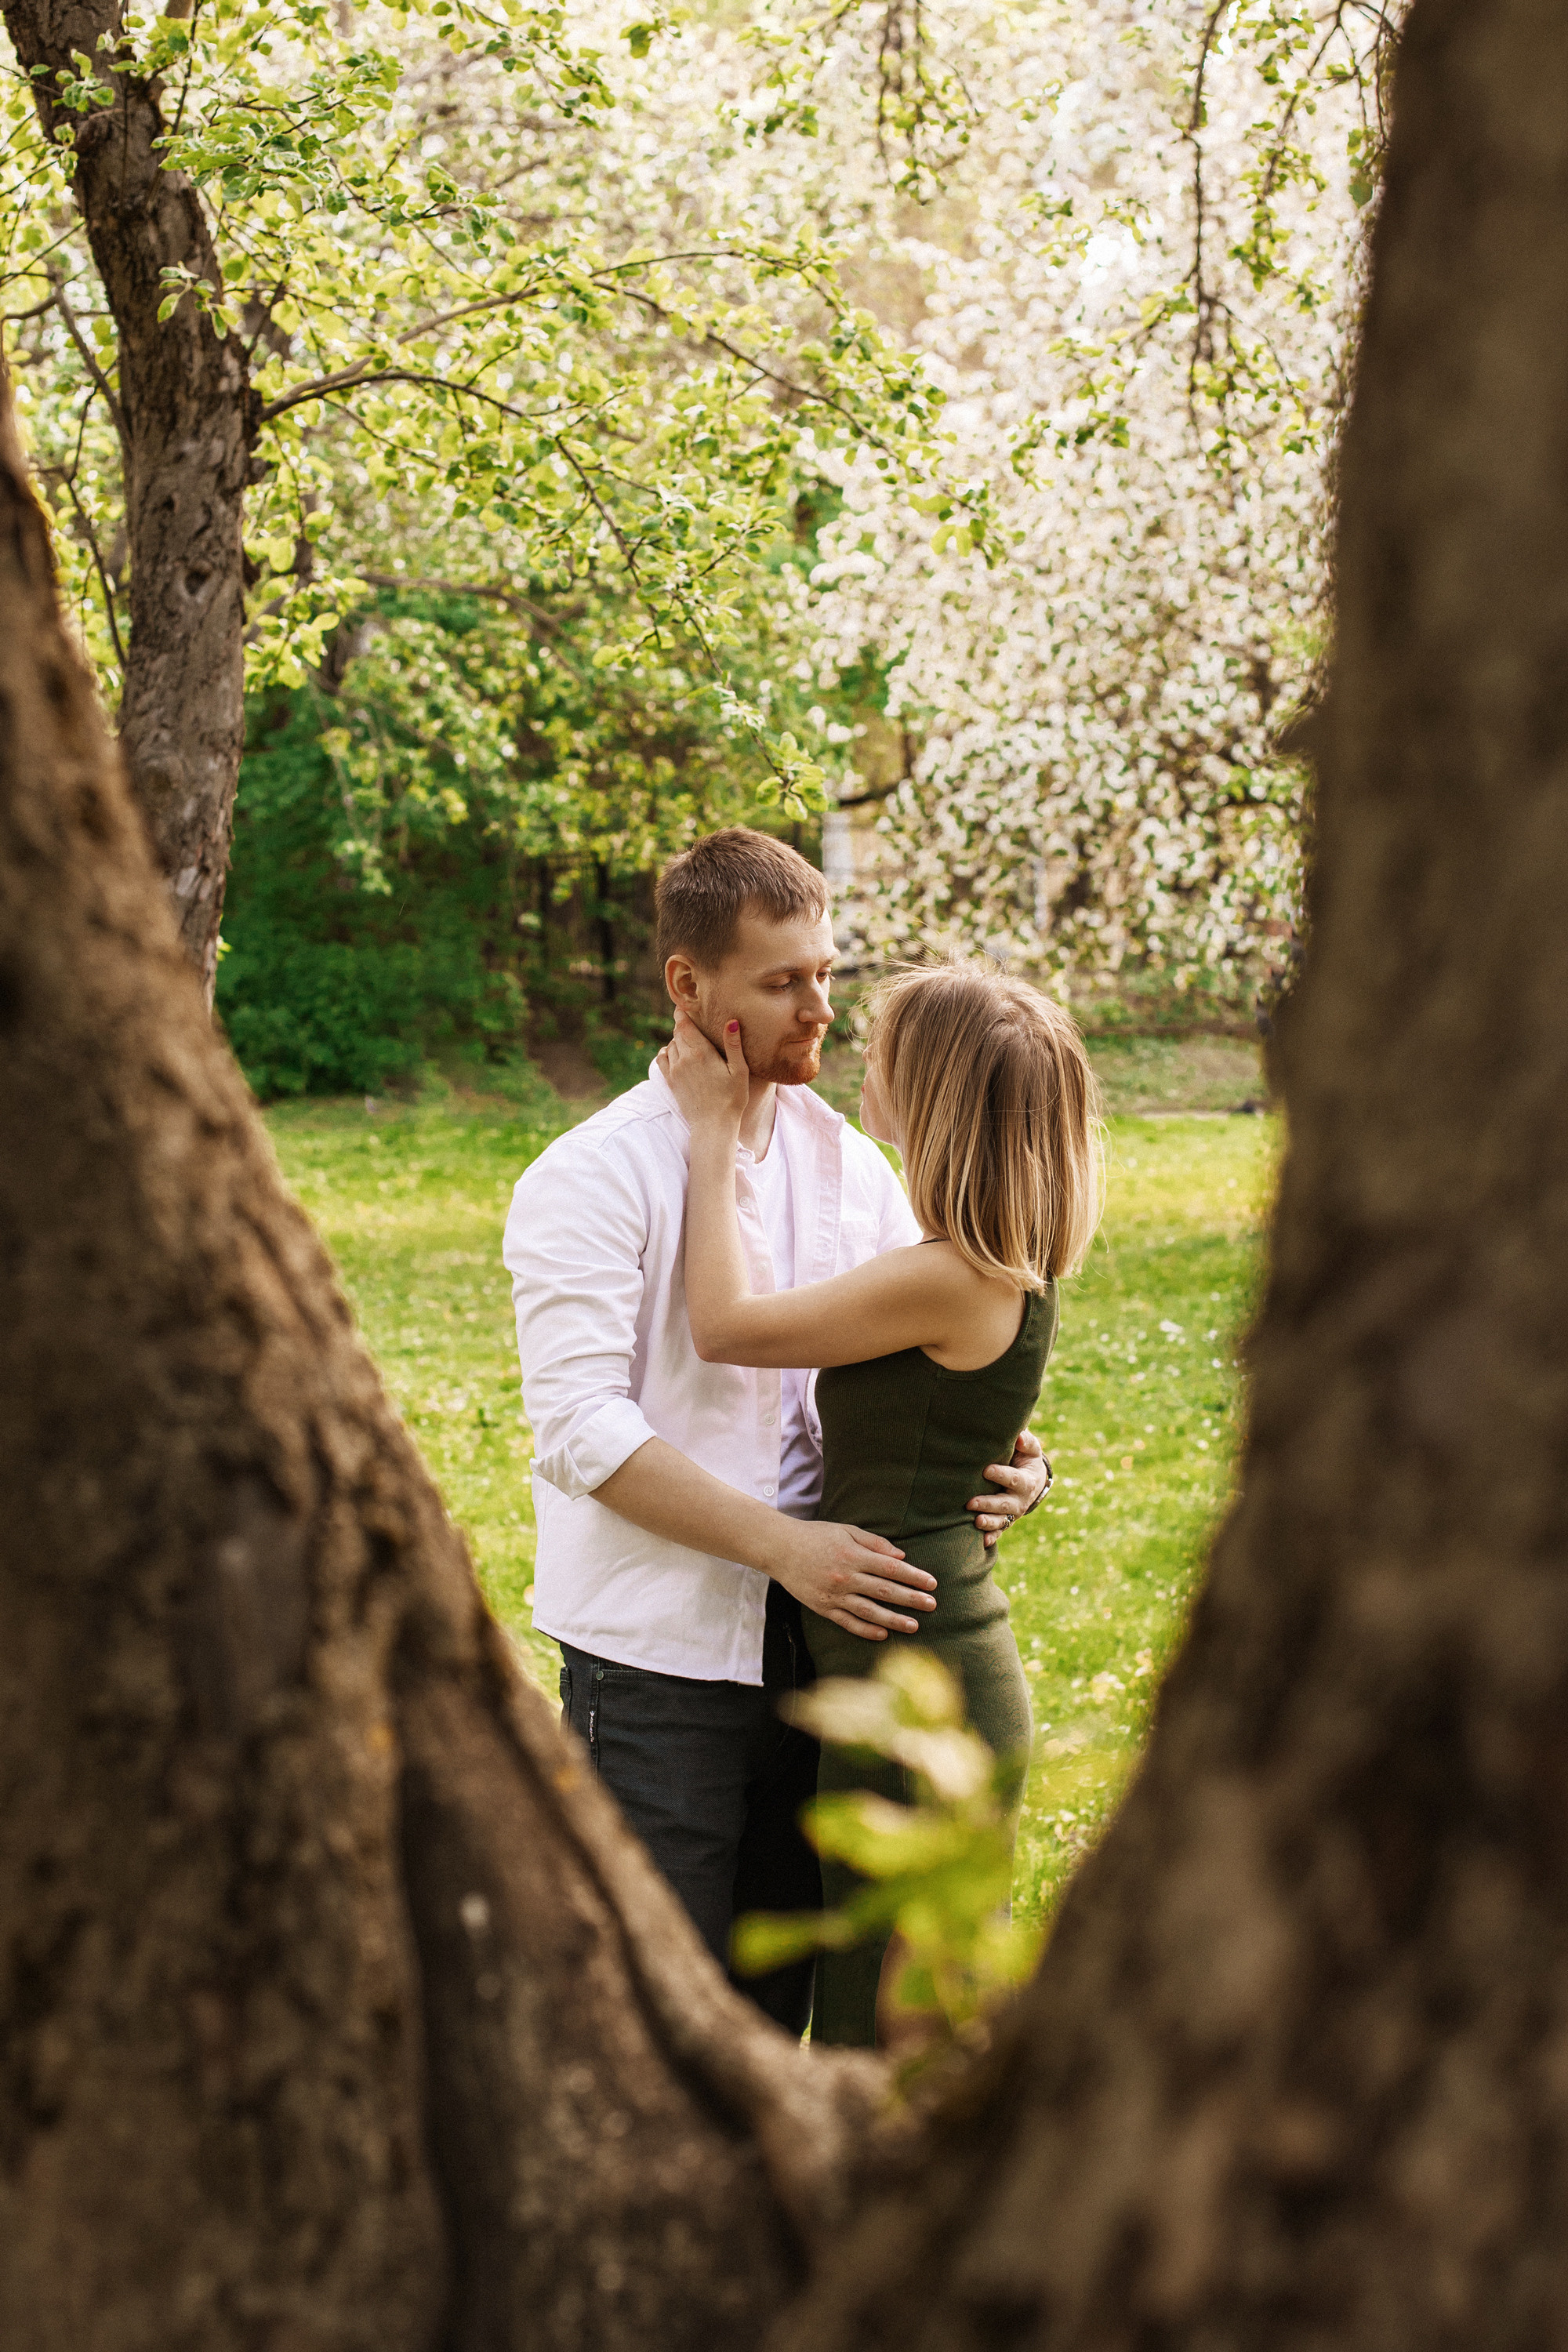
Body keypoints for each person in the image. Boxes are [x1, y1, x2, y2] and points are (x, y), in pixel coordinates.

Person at [503, 829, 1050, 2036]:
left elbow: (925, 1351)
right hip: (661, 1670)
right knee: (663, 2030)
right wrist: (782, 1547)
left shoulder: (856, 1170)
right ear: (689, 989)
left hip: (829, 1662)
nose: (821, 1011)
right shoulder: (588, 1178)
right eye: (782, 982)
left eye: (828, 975)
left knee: (798, 2026)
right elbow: (582, 1432)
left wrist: (1014, 1464)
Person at [659, 956, 1102, 2047]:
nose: (858, 1052)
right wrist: (1018, 1468)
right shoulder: (976, 1260)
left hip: (923, 1671)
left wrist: (710, 1138)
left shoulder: (948, 1276)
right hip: (899, 1657)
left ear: (939, 1092)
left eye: (889, 1046)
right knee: (881, 2014)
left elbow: (723, 1327)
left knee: (900, 2039)